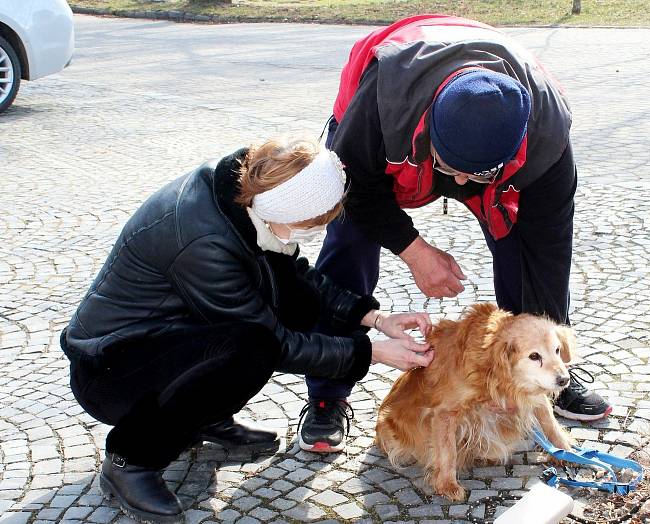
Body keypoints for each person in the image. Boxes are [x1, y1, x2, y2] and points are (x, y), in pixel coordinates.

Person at [60, 137, 434, 523]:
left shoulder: (252, 195)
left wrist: (375, 319)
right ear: (288, 209)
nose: (313, 231)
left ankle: (201, 418)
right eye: (311, 222)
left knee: (294, 301)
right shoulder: (206, 240)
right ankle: (129, 460)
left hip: (167, 339)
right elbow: (276, 344)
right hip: (111, 371)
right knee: (249, 349)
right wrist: (371, 352)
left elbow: (296, 278)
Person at [300, 14, 612, 453]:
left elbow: (548, 252)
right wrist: (415, 250)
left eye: (476, 175)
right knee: (348, 242)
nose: (461, 185)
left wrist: (546, 353)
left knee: (524, 248)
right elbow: (357, 191)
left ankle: (537, 376)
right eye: (451, 170)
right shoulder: (382, 102)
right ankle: (327, 394)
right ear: (428, 131)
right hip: (387, 131)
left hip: (495, 151)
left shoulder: (547, 141)